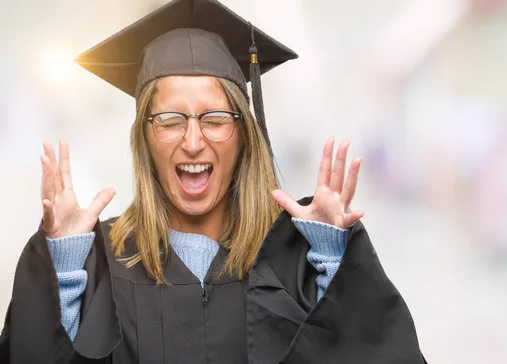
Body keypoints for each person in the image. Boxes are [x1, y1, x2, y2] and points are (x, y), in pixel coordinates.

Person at [0, 0, 427, 363]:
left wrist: (334, 262)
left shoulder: (297, 260)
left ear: (244, 134)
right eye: (169, 120)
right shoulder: (100, 263)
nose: (192, 141)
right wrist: (65, 263)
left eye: (215, 119)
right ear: (144, 138)